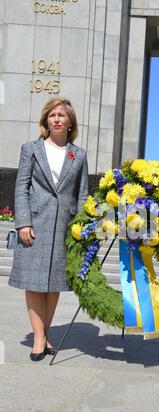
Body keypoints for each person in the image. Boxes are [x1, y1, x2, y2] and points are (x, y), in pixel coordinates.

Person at [9, 98, 88, 361]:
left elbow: (82, 195)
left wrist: (81, 230)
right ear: (46, 121)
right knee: (32, 283)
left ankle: (45, 332)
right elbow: (21, 187)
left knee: (53, 284)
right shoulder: (30, 149)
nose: (56, 119)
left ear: (69, 122)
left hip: (63, 229)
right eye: (52, 115)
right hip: (34, 225)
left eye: (61, 115)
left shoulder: (79, 155)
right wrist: (23, 222)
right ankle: (39, 338)